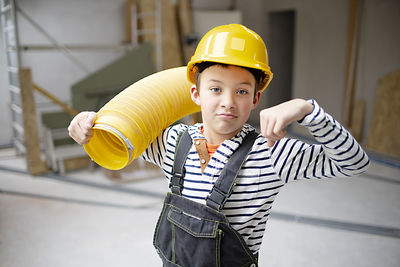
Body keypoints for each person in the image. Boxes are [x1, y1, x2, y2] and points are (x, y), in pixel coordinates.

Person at [68, 24, 369, 266]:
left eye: (241, 91)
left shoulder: (272, 152)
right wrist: (87, 125)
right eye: (215, 88)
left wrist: (306, 110)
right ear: (195, 95)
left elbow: (354, 163)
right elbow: (117, 138)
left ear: (255, 99)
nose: (228, 102)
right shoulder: (175, 143)